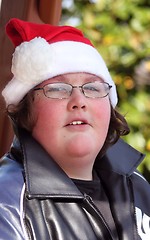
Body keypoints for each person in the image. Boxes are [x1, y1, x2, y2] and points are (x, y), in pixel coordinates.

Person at [0, 18, 150, 240]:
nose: (79, 100)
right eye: (58, 88)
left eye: (92, 87)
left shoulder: (138, 187)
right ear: (26, 112)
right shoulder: (7, 201)